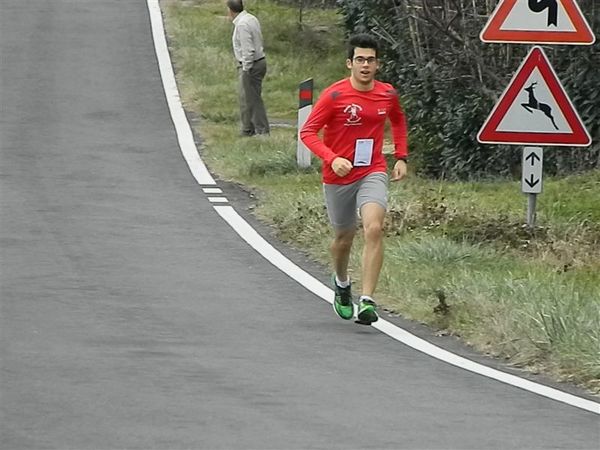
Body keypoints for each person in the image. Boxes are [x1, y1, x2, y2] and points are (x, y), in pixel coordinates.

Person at [300, 33, 408, 325]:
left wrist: (400, 156)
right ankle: (342, 282)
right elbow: (308, 132)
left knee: (374, 228)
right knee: (343, 239)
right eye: (359, 59)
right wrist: (332, 158)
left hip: (372, 169)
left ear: (378, 65)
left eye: (370, 60)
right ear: (349, 63)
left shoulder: (387, 94)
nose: (365, 65)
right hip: (338, 176)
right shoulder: (334, 96)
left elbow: (397, 120)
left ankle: (368, 300)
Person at [226, 0, 270, 136]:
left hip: (251, 65)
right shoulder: (251, 18)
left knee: (252, 98)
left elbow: (248, 49)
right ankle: (247, 128)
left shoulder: (242, 25)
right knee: (246, 97)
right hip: (259, 61)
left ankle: (262, 130)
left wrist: (246, 68)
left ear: (230, 10)